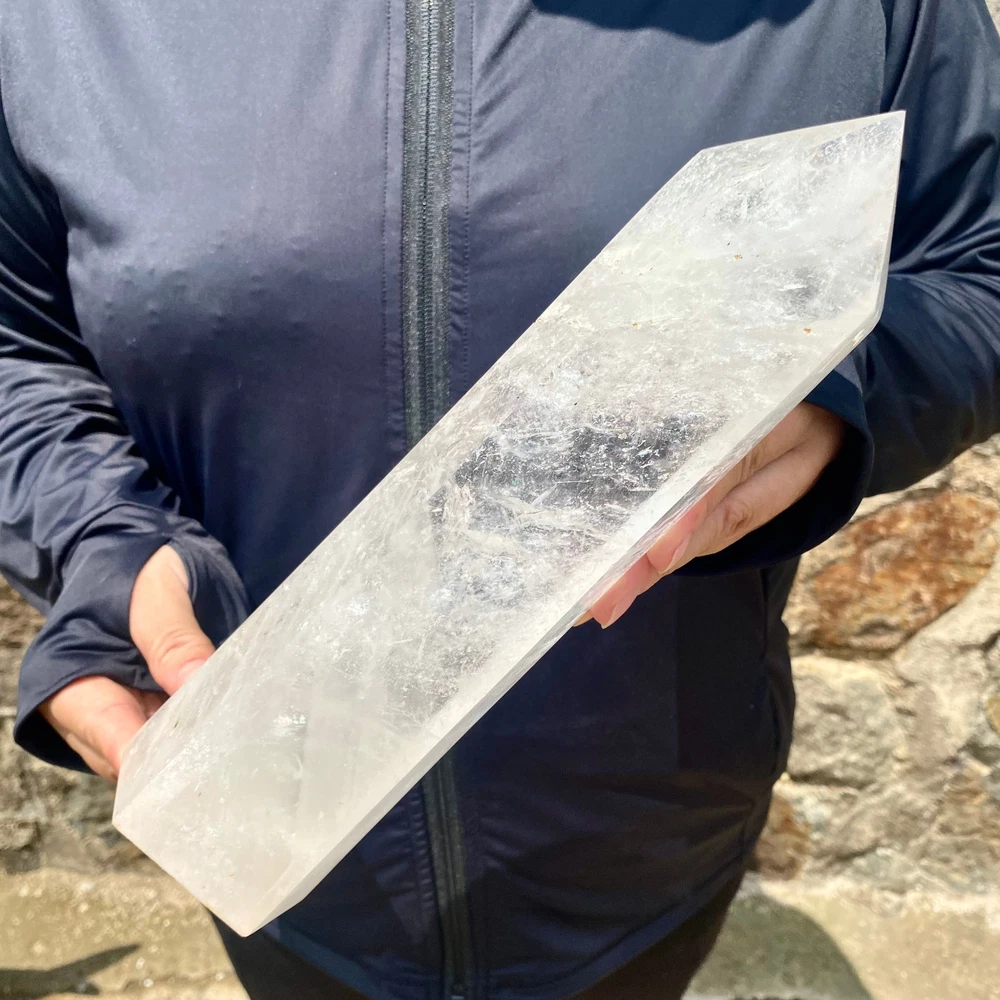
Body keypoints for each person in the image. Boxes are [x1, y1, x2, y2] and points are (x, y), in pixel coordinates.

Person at [1, 1, 998, 997]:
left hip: (646, 849)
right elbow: (17, 342)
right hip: (284, 838)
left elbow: (979, 263)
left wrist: (841, 380)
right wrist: (102, 536)